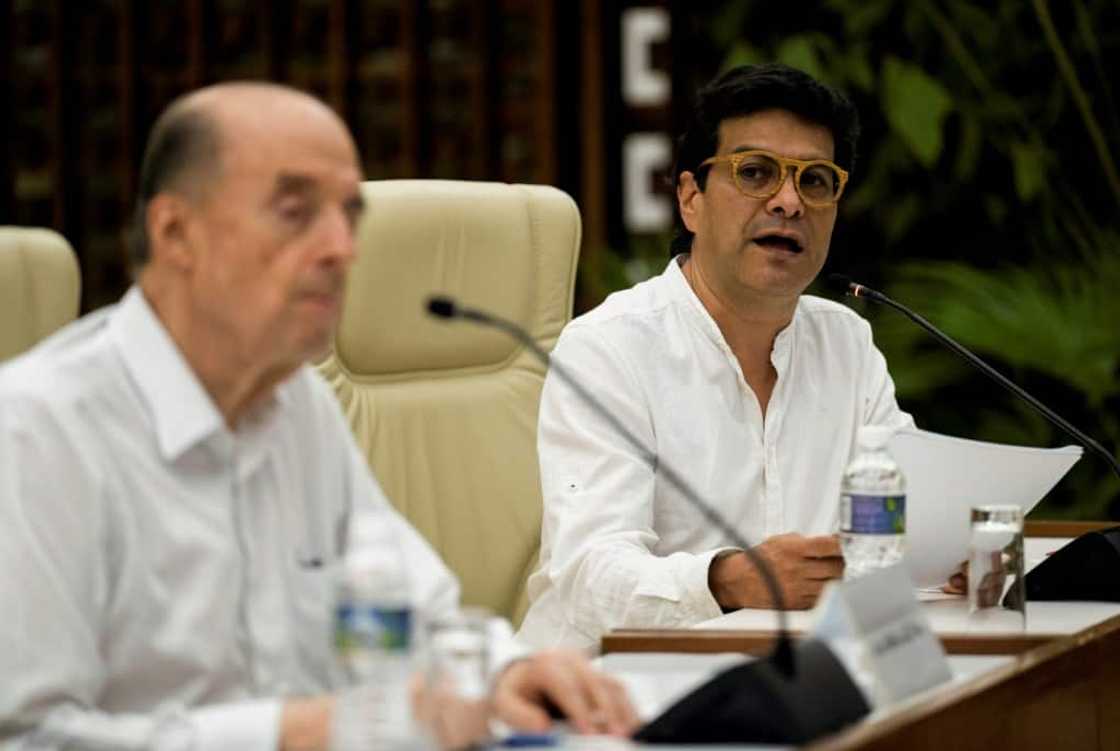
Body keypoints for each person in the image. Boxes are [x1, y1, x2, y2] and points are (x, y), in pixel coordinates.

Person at [0, 82, 634, 749]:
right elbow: (28, 737)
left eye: (349, 215)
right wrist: (290, 732)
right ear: (175, 232)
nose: (342, 248)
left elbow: (416, 613)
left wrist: (509, 672)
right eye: (295, 211)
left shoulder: (295, 404)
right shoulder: (37, 432)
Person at [517, 64, 913, 651]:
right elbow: (587, 578)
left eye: (816, 182)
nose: (788, 202)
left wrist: (944, 551)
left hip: (799, 679)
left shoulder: (846, 343)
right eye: (755, 173)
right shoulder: (609, 348)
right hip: (612, 693)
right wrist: (726, 580)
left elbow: (906, 507)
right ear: (690, 199)